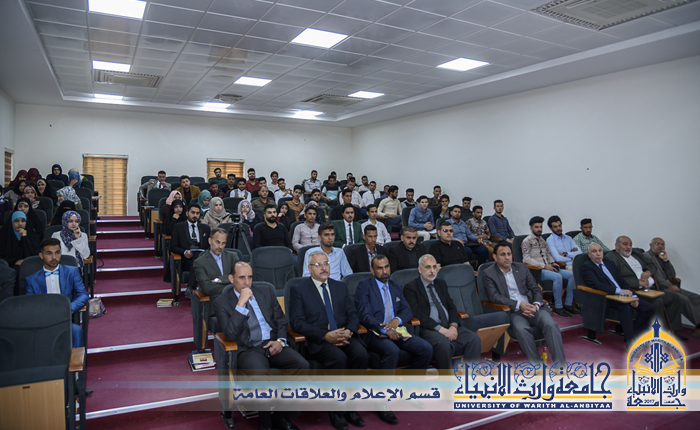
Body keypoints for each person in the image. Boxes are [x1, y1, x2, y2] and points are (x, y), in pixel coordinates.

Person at [212, 261, 308, 430]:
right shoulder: (222, 302)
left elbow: (281, 321)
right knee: (261, 375)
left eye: (250, 277)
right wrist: (241, 304)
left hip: (271, 342)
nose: (247, 282)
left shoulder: (266, 291)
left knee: (302, 365)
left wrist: (280, 341)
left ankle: (281, 416)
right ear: (231, 278)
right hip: (248, 350)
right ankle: (265, 424)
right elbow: (231, 334)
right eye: (242, 278)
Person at [289, 251, 368, 430]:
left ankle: (351, 408)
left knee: (361, 355)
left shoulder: (339, 286)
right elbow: (297, 322)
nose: (323, 268)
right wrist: (325, 335)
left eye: (326, 263)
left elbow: (353, 314)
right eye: (318, 265)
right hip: (319, 340)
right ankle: (336, 411)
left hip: (343, 335)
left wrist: (349, 331)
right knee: (338, 359)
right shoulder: (299, 289)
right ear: (310, 268)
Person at [483, 242, 566, 364]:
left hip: (533, 307)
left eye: (509, 254)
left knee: (551, 325)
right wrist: (518, 305)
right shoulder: (489, 273)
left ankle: (561, 366)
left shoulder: (521, 267)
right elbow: (494, 296)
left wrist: (536, 305)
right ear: (495, 257)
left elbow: (535, 288)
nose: (507, 257)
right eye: (503, 254)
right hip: (514, 311)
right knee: (522, 329)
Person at [354, 255, 432, 381]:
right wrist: (385, 330)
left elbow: (407, 310)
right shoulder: (364, 286)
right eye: (380, 268)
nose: (384, 271)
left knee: (426, 348)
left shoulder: (396, 286)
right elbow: (365, 316)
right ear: (372, 271)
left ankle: (412, 386)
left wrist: (397, 320)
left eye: (387, 267)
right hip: (375, 333)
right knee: (393, 351)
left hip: (397, 330)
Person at [403, 254, 482, 368]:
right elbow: (417, 314)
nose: (432, 271)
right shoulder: (411, 288)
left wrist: (453, 326)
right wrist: (440, 329)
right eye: (428, 267)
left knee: (474, 339)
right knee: (444, 345)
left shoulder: (441, 283)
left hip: (448, 324)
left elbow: (451, 307)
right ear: (420, 269)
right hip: (429, 329)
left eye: (434, 267)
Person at [606, 236, 684, 336]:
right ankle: (658, 333)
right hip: (635, 290)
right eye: (625, 244)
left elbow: (652, 265)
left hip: (651, 288)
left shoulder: (637, 253)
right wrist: (637, 283)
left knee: (674, 297)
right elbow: (616, 278)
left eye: (630, 244)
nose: (628, 247)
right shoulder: (611, 257)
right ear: (617, 246)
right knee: (657, 301)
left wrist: (648, 272)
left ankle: (673, 331)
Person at [581, 243, 655, 346]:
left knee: (649, 308)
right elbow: (597, 285)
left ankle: (635, 334)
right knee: (625, 306)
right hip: (605, 297)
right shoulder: (587, 267)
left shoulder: (609, 263)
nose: (598, 254)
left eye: (600, 251)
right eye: (594, 251)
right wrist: (620, 291)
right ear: (589, 254)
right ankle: (630, 342)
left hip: (623, 294)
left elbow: (622, 281)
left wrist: (633, 296)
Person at [25, 238, 89, 347]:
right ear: (41, 255)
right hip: (42, 321)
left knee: (76, 331)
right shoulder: (31, 280)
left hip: (65, 318)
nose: (54, 257)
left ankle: (76, 359)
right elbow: (29, 305)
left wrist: (70, 308)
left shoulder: (72, 271)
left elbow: (83, 294)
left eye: (57, 253)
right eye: (49, 253)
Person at [522, 216, 577, 318]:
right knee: (558, 277)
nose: (539, 229)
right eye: (536, 227)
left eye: (540, 227)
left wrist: (552, 263)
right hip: (536, 270)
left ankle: (568, 304)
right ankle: (558, 307)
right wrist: (544, 265)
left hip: (548, 268)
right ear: (531, 228)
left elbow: (548, 254)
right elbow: (526, 259)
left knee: (572, 275)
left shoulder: (543, 240)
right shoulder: (527, 241)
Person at [645, 238, 700, 336]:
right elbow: (656, 277)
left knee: (696, 298)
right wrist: (669, 285)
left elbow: (672, 275)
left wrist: (666, 261)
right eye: (657, 244)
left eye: (662, 244)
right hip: (658, 287)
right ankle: (699, 325)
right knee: (684, 299)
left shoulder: (661, 257)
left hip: (670, 285)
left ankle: (698, 325)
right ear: (651, 245)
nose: (660, 246)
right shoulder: (646, 256)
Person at [193, 228, 240, 303]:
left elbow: (239, 279)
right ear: (210, 241)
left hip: (235, 300)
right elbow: (207, 287)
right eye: (217, 242)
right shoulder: (199, 262)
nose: (220, 246)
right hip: (215, 302)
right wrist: (231, 284)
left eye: (223, 243)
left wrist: (219, 280)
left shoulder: (233, 257)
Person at [170, 203, 211, 275]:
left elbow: (210, 246)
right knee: (197, 263)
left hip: (203, 258)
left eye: (197, 213)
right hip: (187, 260)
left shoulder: (205, 228)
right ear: (187, 213)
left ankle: (193, 283)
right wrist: (185, 252)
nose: (195, 215)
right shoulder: (178, 227)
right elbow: (173, 247)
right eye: (193, 212)